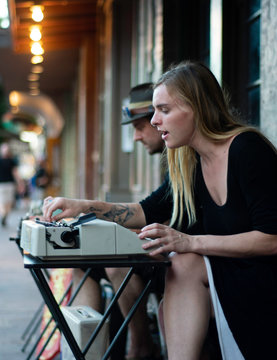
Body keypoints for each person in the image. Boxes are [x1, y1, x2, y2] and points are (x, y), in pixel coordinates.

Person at [43, 60, 277, 360]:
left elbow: (271, 239)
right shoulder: (190, 161)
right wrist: (81, 206)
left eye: (163, 110)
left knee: (184, 261)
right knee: (178, 264)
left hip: (263, 281)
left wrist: (190, 241)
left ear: (197, 108)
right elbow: (146, 210)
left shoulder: (247, 149)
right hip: (226, 278)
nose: (154, 121)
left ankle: (140, 351)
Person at [72, 83, 166, 360]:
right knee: (81, 260)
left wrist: (84, 207)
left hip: (182, 256)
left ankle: (139, 346)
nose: (136, 137)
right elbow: (157, 209)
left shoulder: (183, 154)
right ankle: (87, 351)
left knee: (115, 263)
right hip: (165, 245)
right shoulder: (171, 156)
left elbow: (162, 213)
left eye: (139, 126)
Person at [0, 142, 25, 226]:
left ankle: (4, 215)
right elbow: (16, 173)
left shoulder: (11, 161)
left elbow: (15, 173)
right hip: (2, 185)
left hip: (10, 185)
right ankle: (4, 215)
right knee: (3, 202)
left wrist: (20, 184)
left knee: (9, 202)